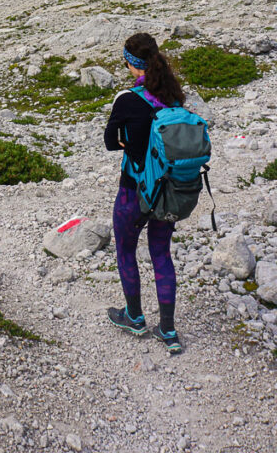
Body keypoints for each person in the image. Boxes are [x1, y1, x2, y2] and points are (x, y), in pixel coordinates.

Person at [103, 32, 184, 355]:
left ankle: (134, 316)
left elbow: (110, 142)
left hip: (133, 189)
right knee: (162, 255)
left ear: (130, 63)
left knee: (126, 251)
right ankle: (168, 329)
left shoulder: (126, 99)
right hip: (167, 191)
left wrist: (127, 141)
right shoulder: (173, 96)